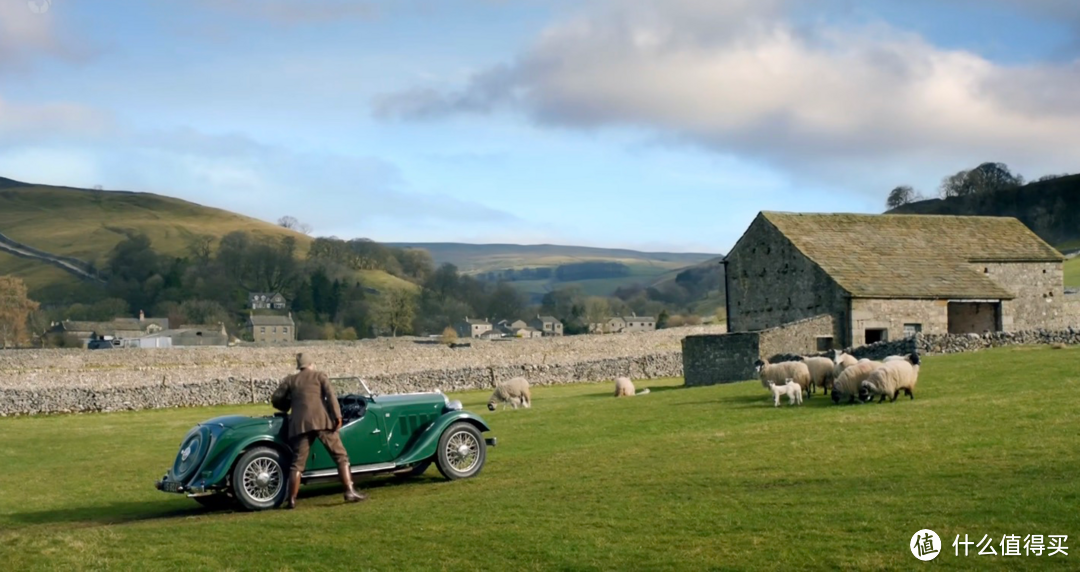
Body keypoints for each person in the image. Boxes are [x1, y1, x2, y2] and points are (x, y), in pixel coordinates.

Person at [271, 352, 365, 508]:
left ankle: (292, 499)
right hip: (321, 421)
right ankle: (349, 491)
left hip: (300, 424)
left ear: (299, 366)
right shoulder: (319, 376)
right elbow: (331, 396)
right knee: (340, 456)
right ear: (311, 364)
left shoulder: (291, 380)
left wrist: (287, 406)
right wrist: (337, 416)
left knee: (297, 464)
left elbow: (276, 399)